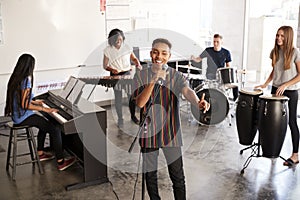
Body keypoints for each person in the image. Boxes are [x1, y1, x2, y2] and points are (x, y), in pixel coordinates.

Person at [132, 38, 210, 200]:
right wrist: (154, 79)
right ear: (151, 53)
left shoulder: (176, 75)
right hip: (149, 133)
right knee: (150, 176)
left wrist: (197, 102)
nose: (159, 56)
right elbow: (140, 103)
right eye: (155, 52)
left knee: (178, 177)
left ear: (169, 56)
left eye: (163, 53)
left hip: (171, 132)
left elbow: (187, 91)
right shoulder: (141, 75)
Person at [4, 54, 76, 171]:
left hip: (17, 116)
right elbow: (25, 105)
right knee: (55, 129)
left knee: (44, 122)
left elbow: (23, 100)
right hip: (22, 117)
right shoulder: (25, 81)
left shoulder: (15, 79)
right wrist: (45, 109)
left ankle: (41, 153)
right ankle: (61, 162)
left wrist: (36, 102)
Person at [255, 25, 300, 166]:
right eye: (277, 35)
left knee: (291, 121)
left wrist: (286, 85)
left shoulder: (295, 52)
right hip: (276, 88)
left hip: (290, 90)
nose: (278, 38)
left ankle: (295, 155)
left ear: (288, 37)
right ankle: (273, 150)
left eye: (282, 36)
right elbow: (275, 71)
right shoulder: (274, 51)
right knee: (274, 122)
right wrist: (265, 84)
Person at [103, 28, 142, 126]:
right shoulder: (107, 50)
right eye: (116, 40)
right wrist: (111, 70)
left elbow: (134, 58)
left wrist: (138, 64)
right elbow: (105, 65)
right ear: (112, 40)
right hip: (115, 75)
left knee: (131, 96)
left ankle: (133, 116)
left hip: (127, 74)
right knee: (118, 97)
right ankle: (120, 118)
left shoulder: (127, 47)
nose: (119, 42)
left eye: (120, 40)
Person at [191, 33, 239, 101]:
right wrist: (193, 58)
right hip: (210, 74)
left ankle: (236, 101)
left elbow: (228, 67)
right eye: (214, 41)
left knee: (235, 83)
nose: (215, 43)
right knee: (213, 83)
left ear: (221, 42)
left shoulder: (226, 52)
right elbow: (198, 59)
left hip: (221, 75)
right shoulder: (208, 50)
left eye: (217, 42)